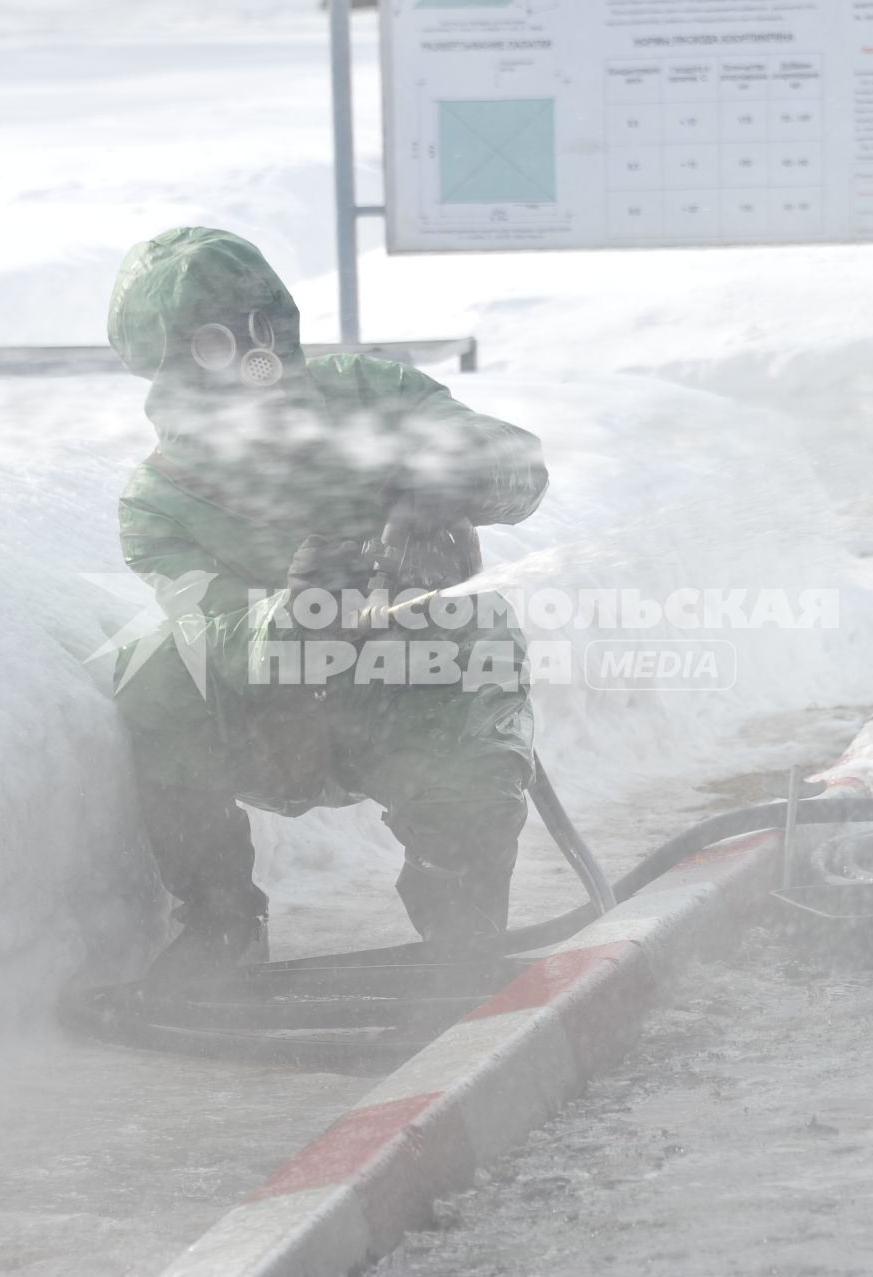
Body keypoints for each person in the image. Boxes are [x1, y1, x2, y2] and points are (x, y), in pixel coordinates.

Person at [106, 227, 548, 985]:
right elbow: (210, 627)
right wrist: (300, 610)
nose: (253, 355)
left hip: (424, 690)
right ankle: (221, 919)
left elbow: (518, 462)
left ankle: (459, 906)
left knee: (476, 664)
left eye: (257, 326)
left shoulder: (372, 396)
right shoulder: (162, 502)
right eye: (213, 343)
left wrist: (440, 487)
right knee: (156, 668)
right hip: (291, 717)